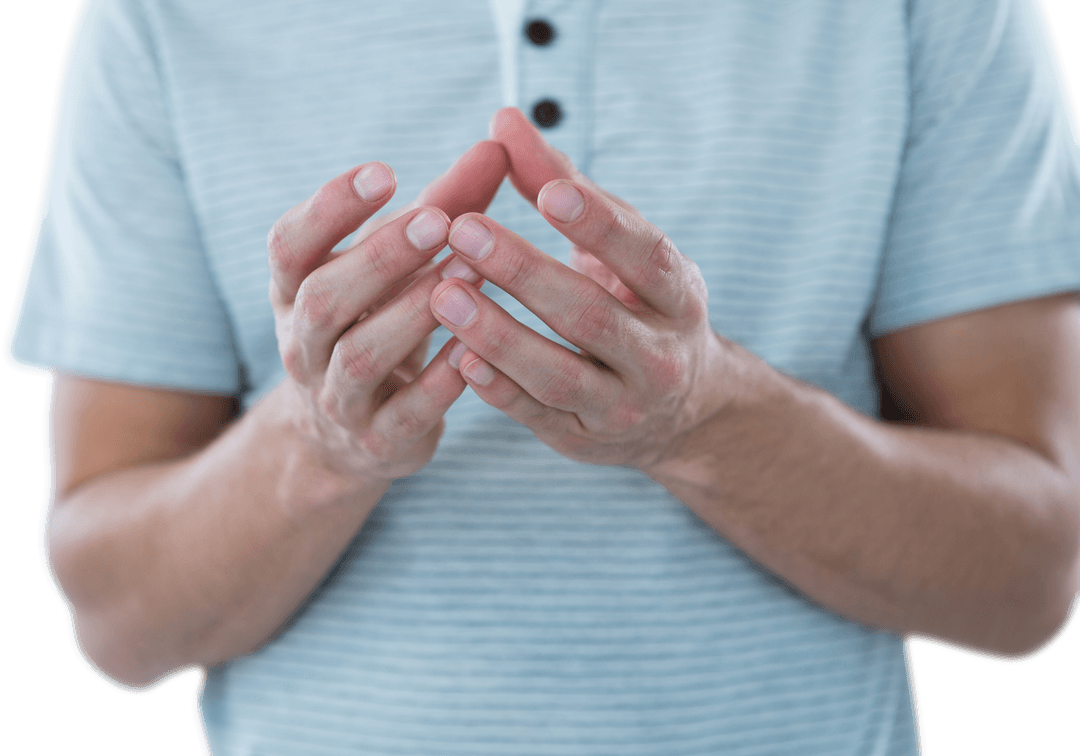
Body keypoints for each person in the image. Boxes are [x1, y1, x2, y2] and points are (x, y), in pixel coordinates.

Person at [6, 0, 1080, 753]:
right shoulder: (156, 15)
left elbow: (1029, 578)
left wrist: (702, 420)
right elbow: (115, 622)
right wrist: (320, 447)